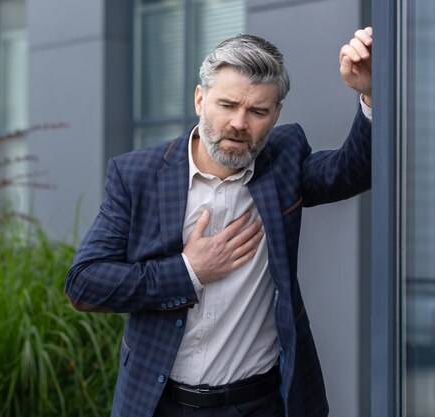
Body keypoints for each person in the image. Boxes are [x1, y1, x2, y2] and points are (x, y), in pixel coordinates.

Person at [65, 27, 373, 417]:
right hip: (161, 404)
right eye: (227, 105)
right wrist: (189, 270)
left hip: (261, 403)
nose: (239, 124)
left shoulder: (282, 162)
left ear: (276, 115)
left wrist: (370, 95)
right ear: (200, 99)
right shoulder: (137, 176)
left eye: (258, 111)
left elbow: (352, 171)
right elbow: (84, 284)